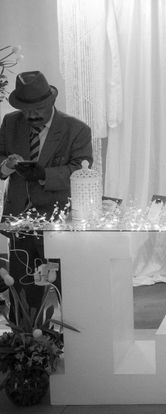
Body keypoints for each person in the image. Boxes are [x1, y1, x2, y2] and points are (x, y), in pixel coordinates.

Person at [0, 71, 93, 317]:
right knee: (22, 288)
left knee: (68, 287)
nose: (31, 115)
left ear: (51, 101)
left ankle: (76, 343)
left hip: (58, 222)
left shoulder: (77, 130)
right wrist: (7, 165)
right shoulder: (10, 123)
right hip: (18, 220)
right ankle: (27, 347)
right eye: (25, 109)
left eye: (38, 108)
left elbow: (81, 170)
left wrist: (44, 174)